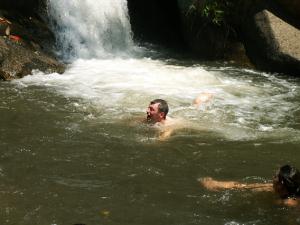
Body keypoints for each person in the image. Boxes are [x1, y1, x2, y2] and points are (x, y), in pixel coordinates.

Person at [200, 165, 300, 206]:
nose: (272, 178)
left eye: (275, 176)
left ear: (280, 185)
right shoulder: (274, 188)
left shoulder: (290, 203)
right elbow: (244, 186)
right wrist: (216, 184)